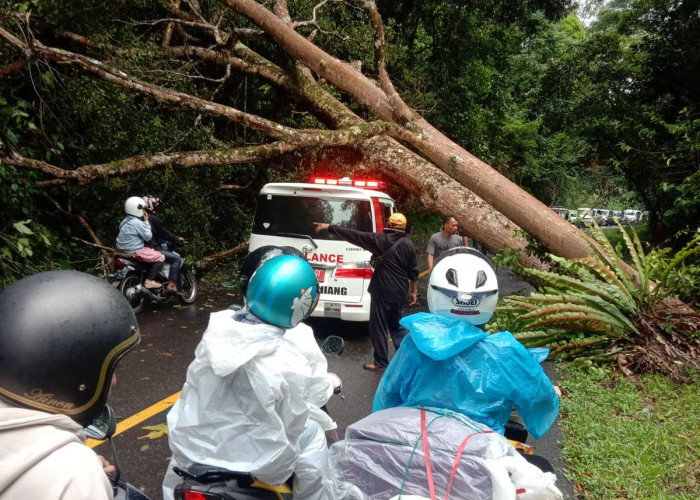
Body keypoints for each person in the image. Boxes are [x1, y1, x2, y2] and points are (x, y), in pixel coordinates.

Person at [162, 252, 338, 500]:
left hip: (191, 452)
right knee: (312, 434)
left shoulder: (216, 332)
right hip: (260, 465)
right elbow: (294, 423)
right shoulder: (290, 359)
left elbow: (192, 387)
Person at [372, 247, 560, 440]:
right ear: (490, 298)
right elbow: (540, 401)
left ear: (434, 293)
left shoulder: (415, 344)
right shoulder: (506, 351)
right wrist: (553, 393)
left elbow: (386, 400)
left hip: (417, 449)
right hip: (481, 454)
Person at [0, 270, 141, 499]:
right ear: (71, 375)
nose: (114, 380)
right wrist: (81, 469)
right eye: (112, 369)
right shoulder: (74, 475)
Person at [313, 213, 419, 372]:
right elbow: (413, 271)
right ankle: (410, 361)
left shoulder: (379, 240)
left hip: (382, 291)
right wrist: (414, 292)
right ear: (403, 227)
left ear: (390, 224)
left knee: (379, 327)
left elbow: (354, 236)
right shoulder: (408, 244)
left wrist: (330, 227)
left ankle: (381, 362)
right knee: (396, 326)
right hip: (399, 292)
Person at [140, 195, 182, 291]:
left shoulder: (134, 219)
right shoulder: (153, 218)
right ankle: (171, 284)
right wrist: (176, 239)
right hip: (150, 249)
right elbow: (165, 233)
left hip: (135, 249)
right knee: (176, 259)